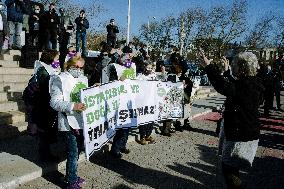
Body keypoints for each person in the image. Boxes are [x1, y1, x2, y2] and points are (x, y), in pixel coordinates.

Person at [200, 51, 264, 189]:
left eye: (235, 64)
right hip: (245, 132)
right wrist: (228, 72)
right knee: (231, 165)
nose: (233, 66)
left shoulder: (245, 86)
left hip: (241, 135)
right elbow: (234, 86)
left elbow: (222, 85)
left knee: (228, 167)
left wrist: (208, 66)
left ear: (242, 68)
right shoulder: (254, 82)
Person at [50, 55, 88, 189]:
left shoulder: (82, 79)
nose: (78, 70)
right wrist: (73, 106)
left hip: (80, 121)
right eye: (76, 66)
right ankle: (70, 182)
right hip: (67, 123)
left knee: (76, 152)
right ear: (68, 65)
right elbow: (54, 102)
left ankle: (71, 175)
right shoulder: (59, 79)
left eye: (81, 68)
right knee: (73, 152)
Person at [32, 49, 61, 162]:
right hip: (44, 106)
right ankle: (45, 156)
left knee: (45, 130)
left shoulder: (44, 68)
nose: (57, 60)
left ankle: (45, 153)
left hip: (44, 105)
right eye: (56, 58)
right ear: (51, 58)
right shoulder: (43, 71)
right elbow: (46, 90)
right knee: (44, 131)